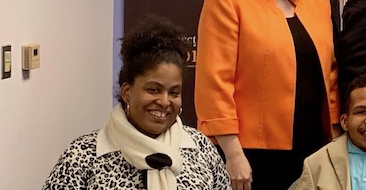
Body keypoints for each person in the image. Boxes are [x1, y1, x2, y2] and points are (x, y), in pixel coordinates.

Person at [196, 0, 339, 190]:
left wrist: (335, 136)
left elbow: (330, 73)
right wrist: (232, 152)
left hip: (314, 146)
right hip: (252, 152)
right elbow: (214, 82)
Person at [43, 19, 229, 189]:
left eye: (173, 92)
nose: (165, 102)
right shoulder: (83, 156)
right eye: (153, 90)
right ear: (127, 92)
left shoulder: (200, 148)